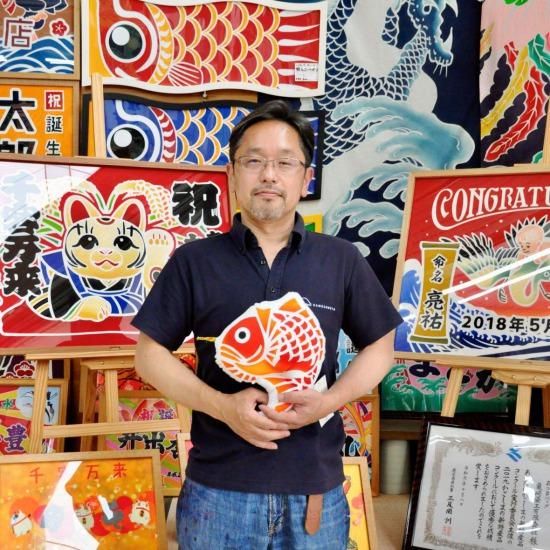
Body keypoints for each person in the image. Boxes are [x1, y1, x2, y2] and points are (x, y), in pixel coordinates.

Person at [132, 100, 403, 549]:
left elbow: (380, 346)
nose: (269, 175)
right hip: (218, 490)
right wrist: (223, 407)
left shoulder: (340, 259)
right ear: (232, 173)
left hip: (315, 488)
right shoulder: (194, 261)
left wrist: (329, 401)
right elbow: (149, 355)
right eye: (253, 161)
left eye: (285, 162)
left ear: (305, 177)